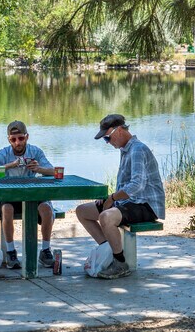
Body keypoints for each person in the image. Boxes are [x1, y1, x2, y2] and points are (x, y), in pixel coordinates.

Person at [76, 114, 165, 279]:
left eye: (108, 138)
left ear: (120, 130)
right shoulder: (126, 150)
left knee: (106, 217)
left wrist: (112, 198)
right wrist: (107, 198)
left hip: (146, 205)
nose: (108, 143)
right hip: (129, 202)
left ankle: (120, 263)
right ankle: (109, 250)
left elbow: (137, 185)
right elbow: (125, 186)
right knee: (82, 211)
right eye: (105, 140)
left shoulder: (137, 149)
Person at [0, 120, 56, 269]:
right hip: (9, 196)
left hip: (32, 194)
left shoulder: (35, 152)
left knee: (47, 209)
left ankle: (45, 250)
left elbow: (54, 171)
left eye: (21, 138)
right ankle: (11, 252)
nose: (17, 143)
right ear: (9, 139)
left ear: (27, 137)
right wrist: (9, 166)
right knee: (7, 209)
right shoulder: (3, 154)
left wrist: (38, 169)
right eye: (13, 139)